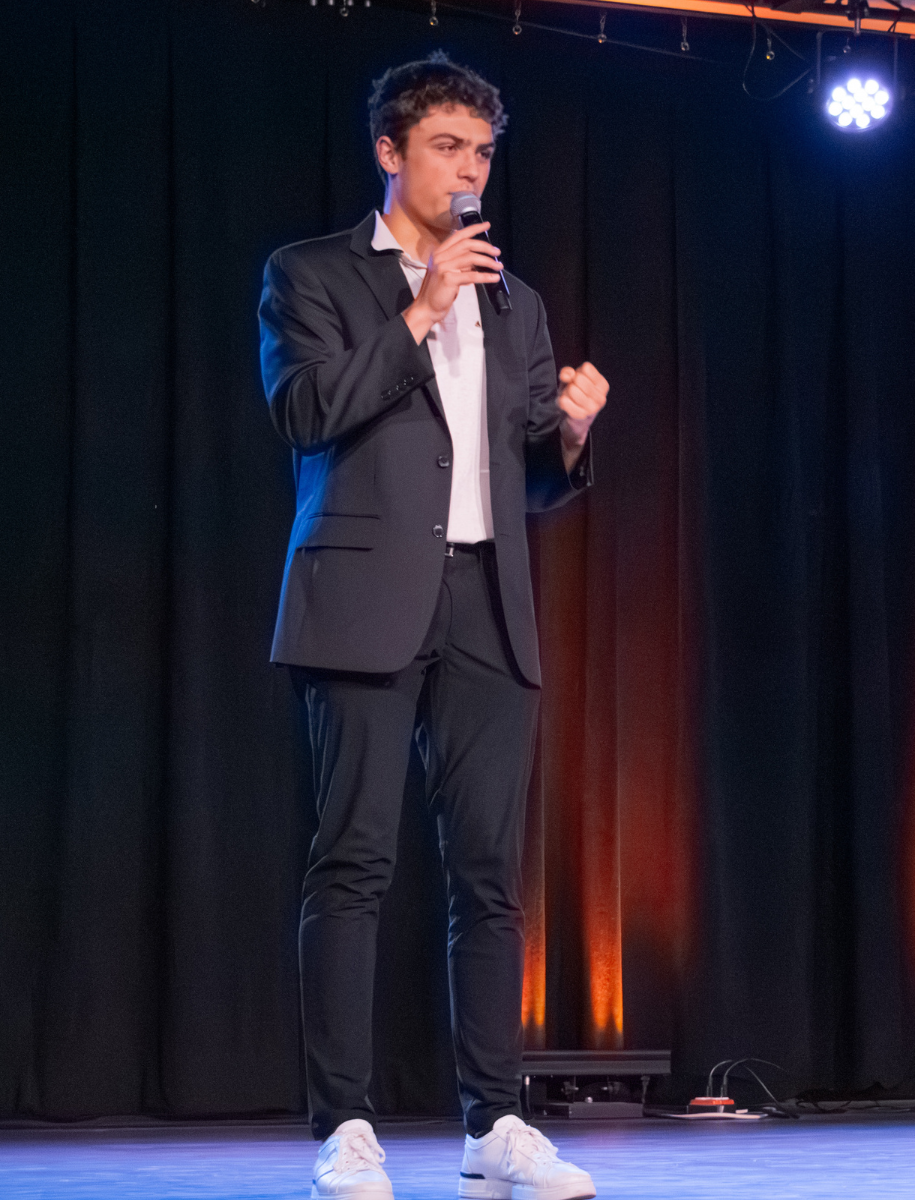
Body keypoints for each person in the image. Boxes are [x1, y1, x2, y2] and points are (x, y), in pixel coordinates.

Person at [259, 52, 609, 1200]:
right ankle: (344, 1127)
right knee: (353, 863)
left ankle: (493, 1120)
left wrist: (569, 434)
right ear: (390, 152)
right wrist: (420, 310)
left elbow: (529, 481)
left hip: (486, 604)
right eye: (448, 148)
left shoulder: (516, 300)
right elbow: (307, 410)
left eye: (482, 153)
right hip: (362, 597)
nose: (469, 172)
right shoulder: (311, 273)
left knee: (491, 876)